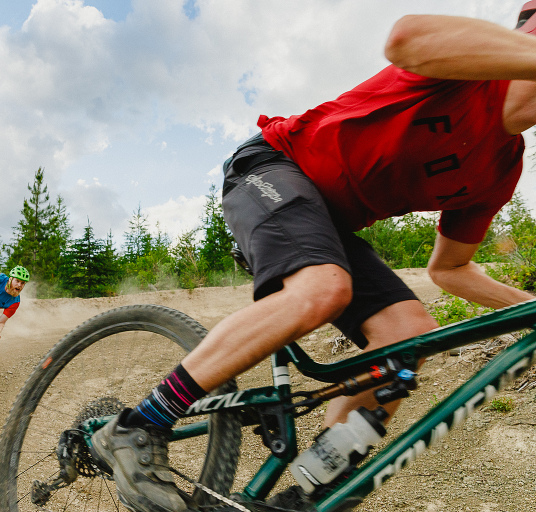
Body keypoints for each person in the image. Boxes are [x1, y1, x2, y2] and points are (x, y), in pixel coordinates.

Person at [90, 5, 536, 512]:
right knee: (325, 286)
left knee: (408, 336)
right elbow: (406, 38)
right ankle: (138, 424)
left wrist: (527, 304)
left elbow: (449, 269)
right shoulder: (471, 72)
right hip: (273, 165)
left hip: (327, 224)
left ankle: (302, 493)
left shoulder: (503, 167)